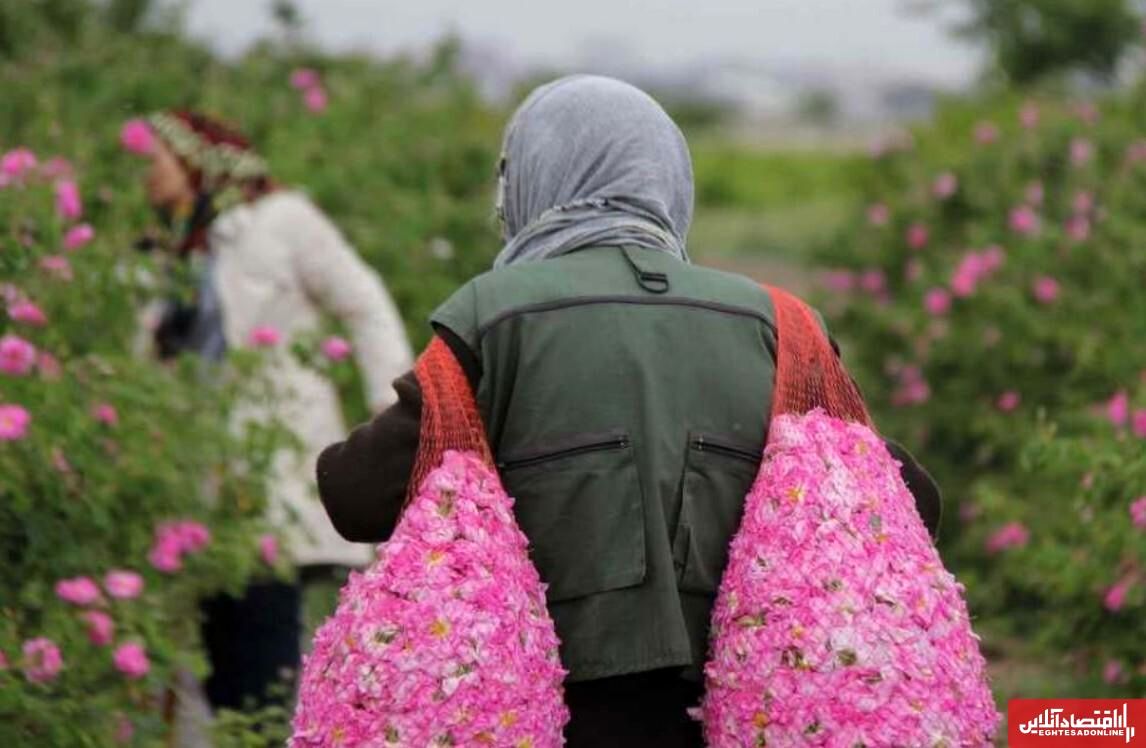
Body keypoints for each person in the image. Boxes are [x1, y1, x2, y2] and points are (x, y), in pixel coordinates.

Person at [314, 76, 940, 747]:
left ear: (529, 178)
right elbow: (910, 506)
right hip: (742, 707)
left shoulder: (494, 316)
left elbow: (355, 496)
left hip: (545, 707)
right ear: (670, 179)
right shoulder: (780, 325)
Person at [136, 110, 413, 719]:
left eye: (153, 158)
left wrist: (393, 415)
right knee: (219, 673)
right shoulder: (168, 249)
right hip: (199, 481)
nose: (143, 174)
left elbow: (364, 304)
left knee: (261, 667)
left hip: (272, 470)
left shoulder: (280, 222)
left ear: (192, 160)